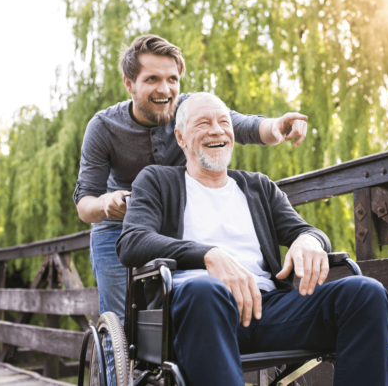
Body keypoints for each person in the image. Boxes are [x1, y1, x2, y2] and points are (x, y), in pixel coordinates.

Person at [117, 93, 388, 385]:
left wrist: (309, 241)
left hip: (268, 309)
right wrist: (209, 255)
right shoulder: (157, 181)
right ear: (181, 137)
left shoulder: (258, 186)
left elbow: (305, 230)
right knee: (205, 289)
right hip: (195, 309)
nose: (217, 130)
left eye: (224, 122)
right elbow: (132, 241)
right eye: (204, 123)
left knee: (365, 293)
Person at [73, 34, 309, 322]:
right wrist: (106, 203)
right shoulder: (103, 127)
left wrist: (278, 126)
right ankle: (119, 364)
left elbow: (243, 125)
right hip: (117, 228)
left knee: (177, 310)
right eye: (152, 79)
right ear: (129, 83)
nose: (165, 89)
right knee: (121, 322)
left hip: (172, 223)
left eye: (172, 79)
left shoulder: (190, 111)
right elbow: (85, 205)